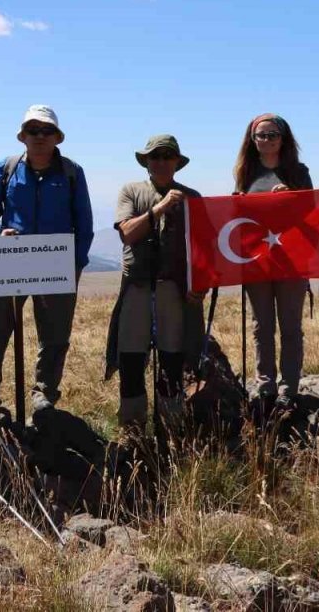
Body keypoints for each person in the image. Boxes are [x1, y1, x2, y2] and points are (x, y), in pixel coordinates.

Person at [0, 105, 93, 415]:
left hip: (56, 263)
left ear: (57, 138)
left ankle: (43, 396)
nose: (40, 137)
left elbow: (84, 223)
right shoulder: (7, 168)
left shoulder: (71, 172)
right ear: (22, 136)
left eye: (46, 131)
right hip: (8, 261)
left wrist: (75, 265)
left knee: (55, 336)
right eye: (33, 131)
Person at [105, 135, 204, 434]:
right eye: (155, 156)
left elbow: (203, 247)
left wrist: (201, 284)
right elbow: (127, 233)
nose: (160, 161)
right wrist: (160, 208)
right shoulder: (131, 192)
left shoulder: (192, 197)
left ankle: (172, 426)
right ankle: (132, 429)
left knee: (173, 358)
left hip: (174, 289)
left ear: (177, 162)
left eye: (166, 156)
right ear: (146, 161)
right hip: (136, 286)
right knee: (132, 357)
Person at [232, 114, 313, 409]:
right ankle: (265, 385)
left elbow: (312, 212)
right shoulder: (245, 172)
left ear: (283, 138)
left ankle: (289, 386)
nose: (266, 140)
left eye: (272, 135)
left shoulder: (298, 172)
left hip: (291, 260)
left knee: (290, 325)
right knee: (260, 325)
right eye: (261, 136)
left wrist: (292, 197)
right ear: (252, 140)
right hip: (257, 260)